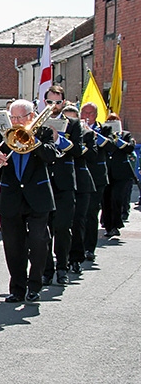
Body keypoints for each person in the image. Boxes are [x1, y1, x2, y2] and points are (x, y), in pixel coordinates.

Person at [0, 99, 57, 304]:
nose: (16, 121)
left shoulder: (45, 132)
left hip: (38, 197)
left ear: (31, 117)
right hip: (11, 197)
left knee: (39, 242)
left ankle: (35, 285)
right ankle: (17, 288)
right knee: (13, 246)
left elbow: (50, 156)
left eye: (20, 117)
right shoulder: (4, 136)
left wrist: (33, 140)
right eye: (12, 117)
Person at [41, 86, 82, 287]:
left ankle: (62, 268)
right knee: (43, 230)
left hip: (65, 183)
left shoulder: (73, 124)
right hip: (44, 181)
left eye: (57, 102)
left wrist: (58, 137)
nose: (53, 106)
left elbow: (78, 150)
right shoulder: (38, 122)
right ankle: (46, 270)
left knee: (63, 227)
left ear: (63, 103)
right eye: (49, 102)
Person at [61, 105, 96, 274]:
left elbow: (91, 155)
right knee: (61, 224)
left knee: (78, 221)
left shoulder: (88, 134)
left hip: (81, 182)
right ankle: (61, 258)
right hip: (62, 181)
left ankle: (76, 258)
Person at [80, 102, 114, 261]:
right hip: (79, 175)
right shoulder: (74, 127)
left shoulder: (104, 129)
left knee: (91, 213)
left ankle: (89, 248)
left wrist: (92, 133)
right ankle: (76, 247)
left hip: (97, 176)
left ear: (96, 115)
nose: (86, 116)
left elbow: (110, 147)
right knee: (78, 214)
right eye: (84, 112)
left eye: (90, 113)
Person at [101, 113, 136, 238]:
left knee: (117, 198)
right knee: (106, 199)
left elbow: (130, 148)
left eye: (115, 121)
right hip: (107, 171)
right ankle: (108, 225)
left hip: (121, 173)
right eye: (110, 121)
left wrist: (118, 139)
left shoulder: (126, 135)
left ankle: (116, 224)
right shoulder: (105, 134)